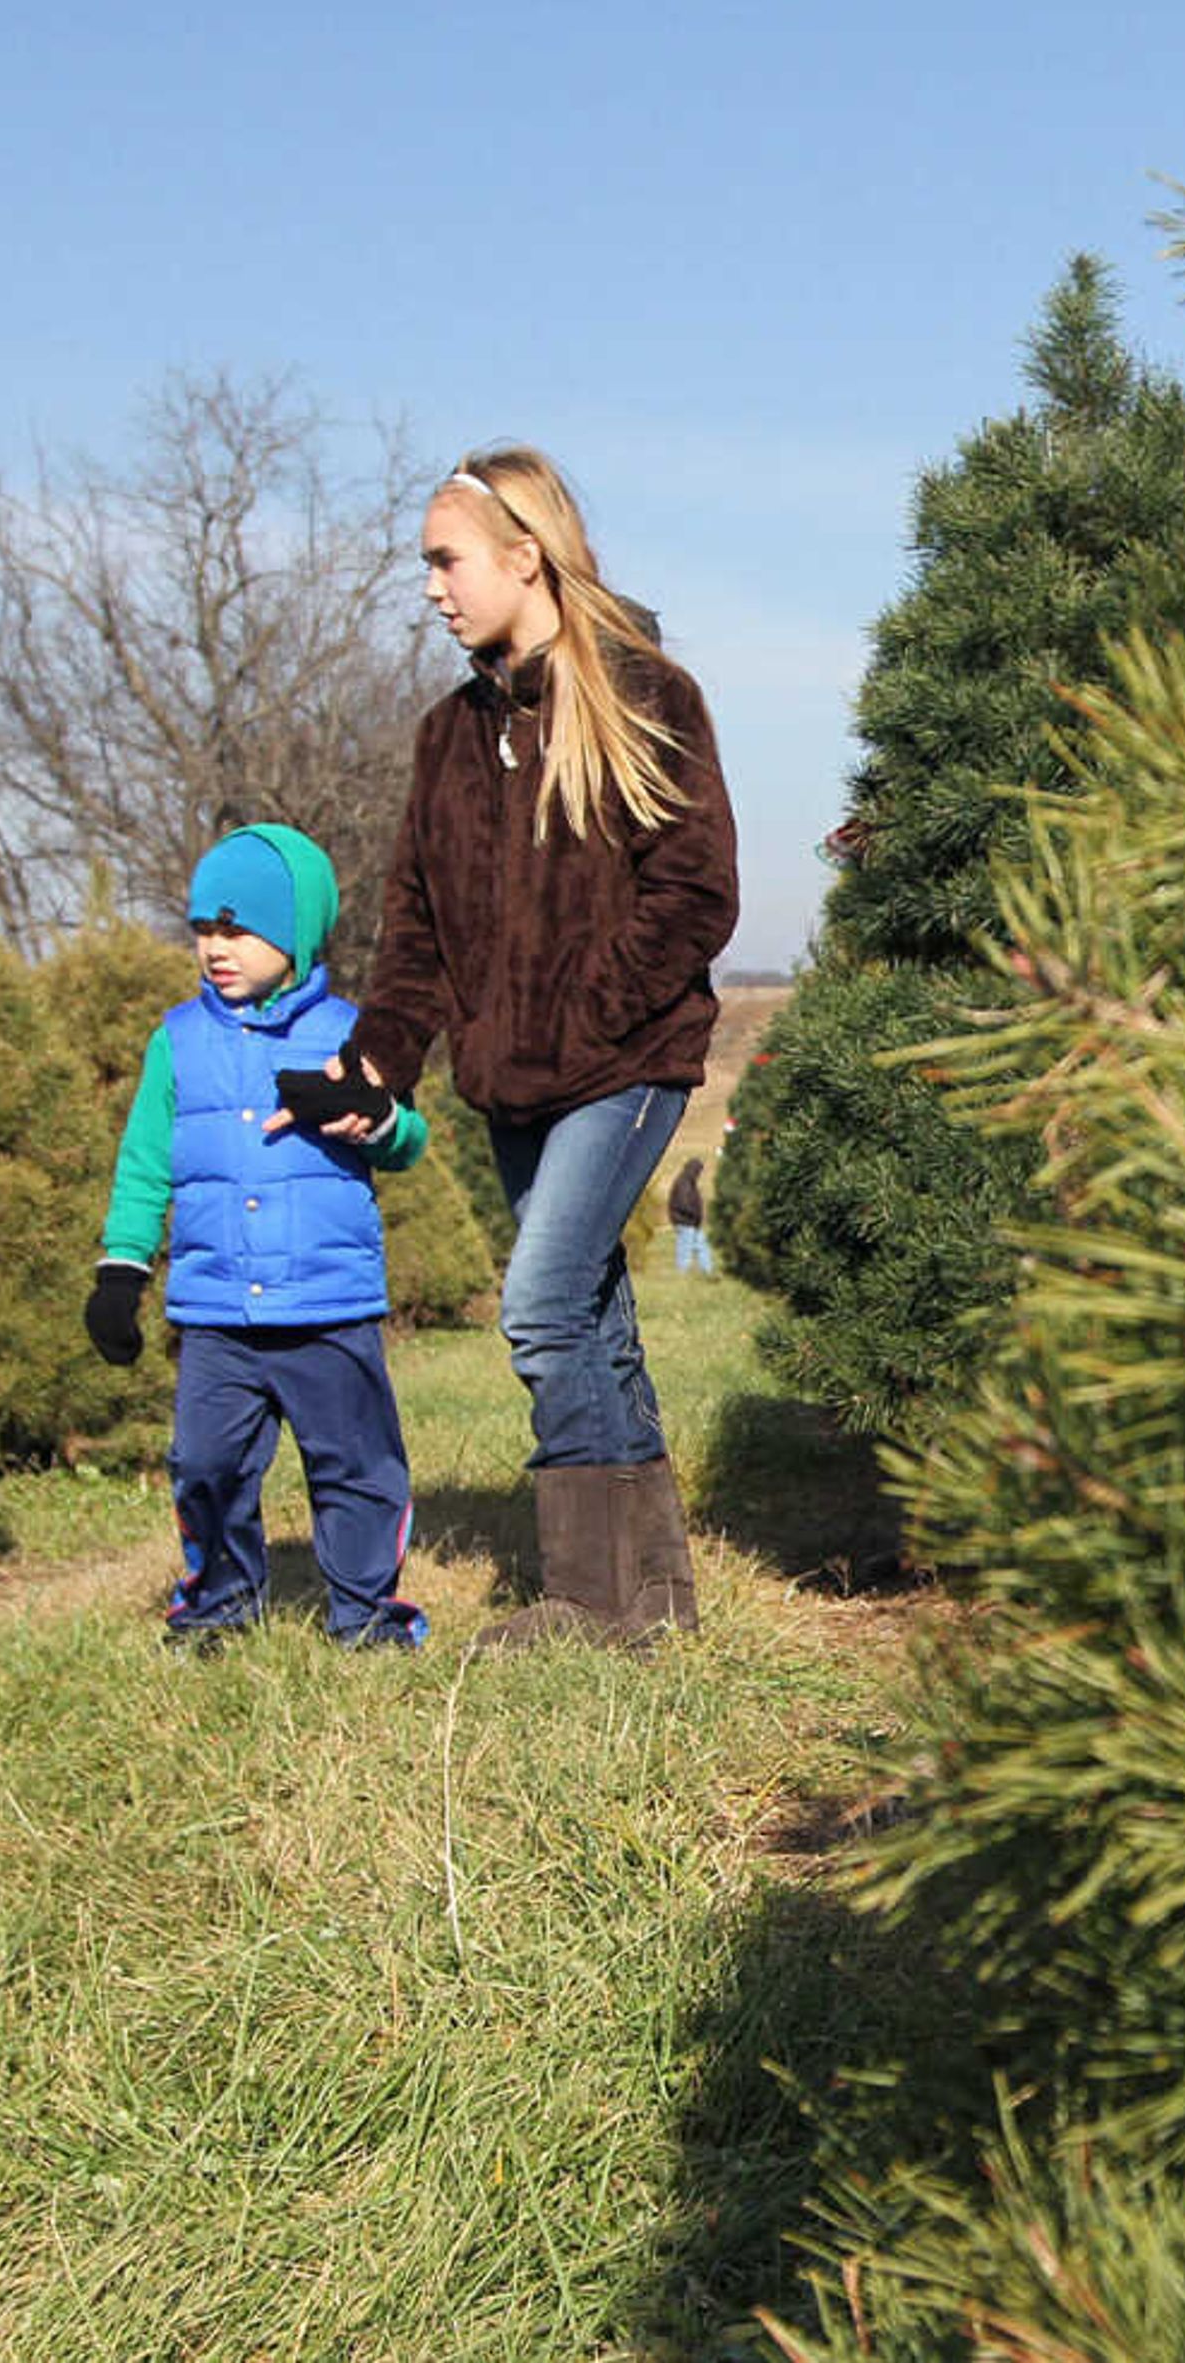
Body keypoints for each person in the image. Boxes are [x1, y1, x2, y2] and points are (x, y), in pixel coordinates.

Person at [334, 444, 738, 1649]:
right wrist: (378, 1060)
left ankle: (582, 1597)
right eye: (425, 566)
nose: (432, 586)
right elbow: (415, 927)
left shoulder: (648, 695)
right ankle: (657, 1598)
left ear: (526, 556)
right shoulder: (445, 738)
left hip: (626, 1063)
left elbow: (695, 893)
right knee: (598, 1316)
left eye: (446, 560)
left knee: (542, 1305)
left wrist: (583, 1013)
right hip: (511, 1083)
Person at [86, 823, 435, 1654]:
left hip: (327, 1305)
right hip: (215, 1313)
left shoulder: (354, 1033)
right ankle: (218, 1607)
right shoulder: (176, 1041)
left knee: (355, 1468)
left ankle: (366, 1615)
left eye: (238, 930)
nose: (216, 947)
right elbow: (143, 1163)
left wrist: (375, 1118)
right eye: (204, 929)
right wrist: (121, 1271)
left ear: (297, 935)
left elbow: (411, 1141)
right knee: (205, 1467)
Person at [664, 1155, 713, 1276]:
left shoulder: (689, 1181)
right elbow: (683, 1203)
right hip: (685, 1222)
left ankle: (707, 1272)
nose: (699, 1174)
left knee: (702, 1246)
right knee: (685, 1250)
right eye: (698, 1171)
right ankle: (682, 1275)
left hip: (691, 1223)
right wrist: (696, 1214)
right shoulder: (683, 1182)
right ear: (693, 1169)